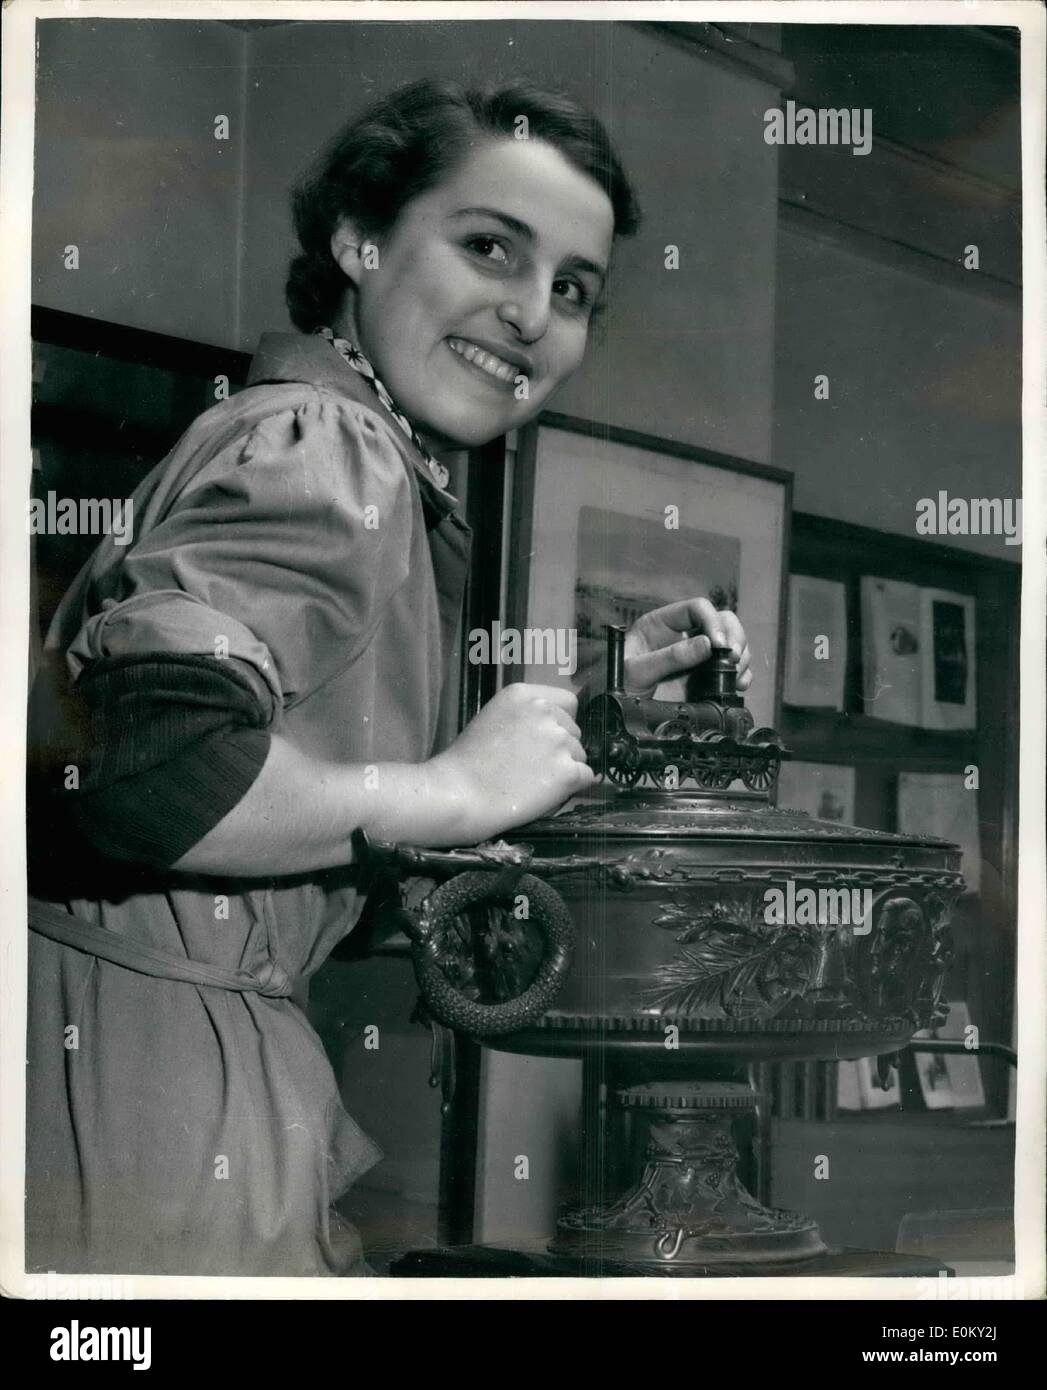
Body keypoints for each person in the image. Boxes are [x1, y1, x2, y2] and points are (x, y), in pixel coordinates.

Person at [25, 78, 752, 1276]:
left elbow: (273, 793)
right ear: (358, 239)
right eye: (488, 249)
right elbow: (151, 777)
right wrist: (458, 793)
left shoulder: (324, 444)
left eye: (571, 290)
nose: (529, 315)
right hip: (145, 1077)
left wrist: (584, 709)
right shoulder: (334, 447)